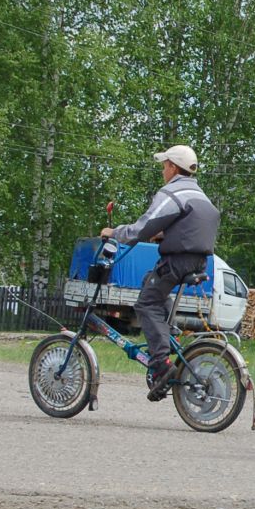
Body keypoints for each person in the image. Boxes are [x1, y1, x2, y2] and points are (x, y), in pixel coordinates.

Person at [102, 145, 220, 401]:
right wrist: (165, 235)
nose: (163, 171)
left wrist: (115, 233)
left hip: (177, 262)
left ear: (173, 168)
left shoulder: (171, 193)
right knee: (151, 283)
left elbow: (141, 228)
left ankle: (161, 365)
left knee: (146, 304)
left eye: (164, 166)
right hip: (199, 262)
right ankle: (169, 332)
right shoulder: (199, 194)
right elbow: (188, 226)